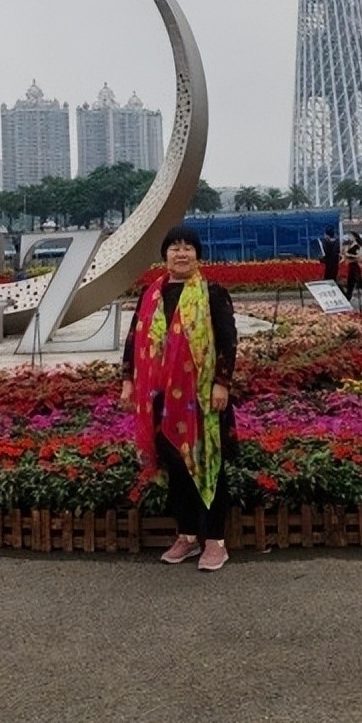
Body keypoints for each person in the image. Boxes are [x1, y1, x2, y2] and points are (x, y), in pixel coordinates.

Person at [120, 225, 237, 571]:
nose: (181, 253)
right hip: (159, 398)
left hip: (199, 398)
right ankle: (186, 536)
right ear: (166, 255)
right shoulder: (150, 294)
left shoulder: (213, 293)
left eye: (188, 247)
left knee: (208, 464)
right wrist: (128, 380)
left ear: (198, 255)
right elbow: (133, 340)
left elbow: (228, 342)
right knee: (175, 465)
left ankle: (215, 541)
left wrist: (221, 383)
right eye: (175, 247)